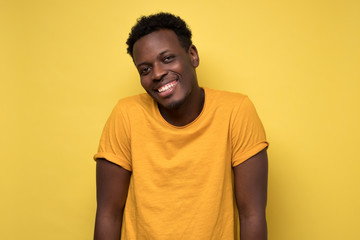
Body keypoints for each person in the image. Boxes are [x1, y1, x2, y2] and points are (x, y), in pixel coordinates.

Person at [94, 12, 268, 240]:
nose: (157, 73)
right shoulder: (126, 115)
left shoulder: (236, 111)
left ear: (192, 55)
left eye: (167, 59)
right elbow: (108, 213)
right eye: (145, 69)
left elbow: (252, 214)